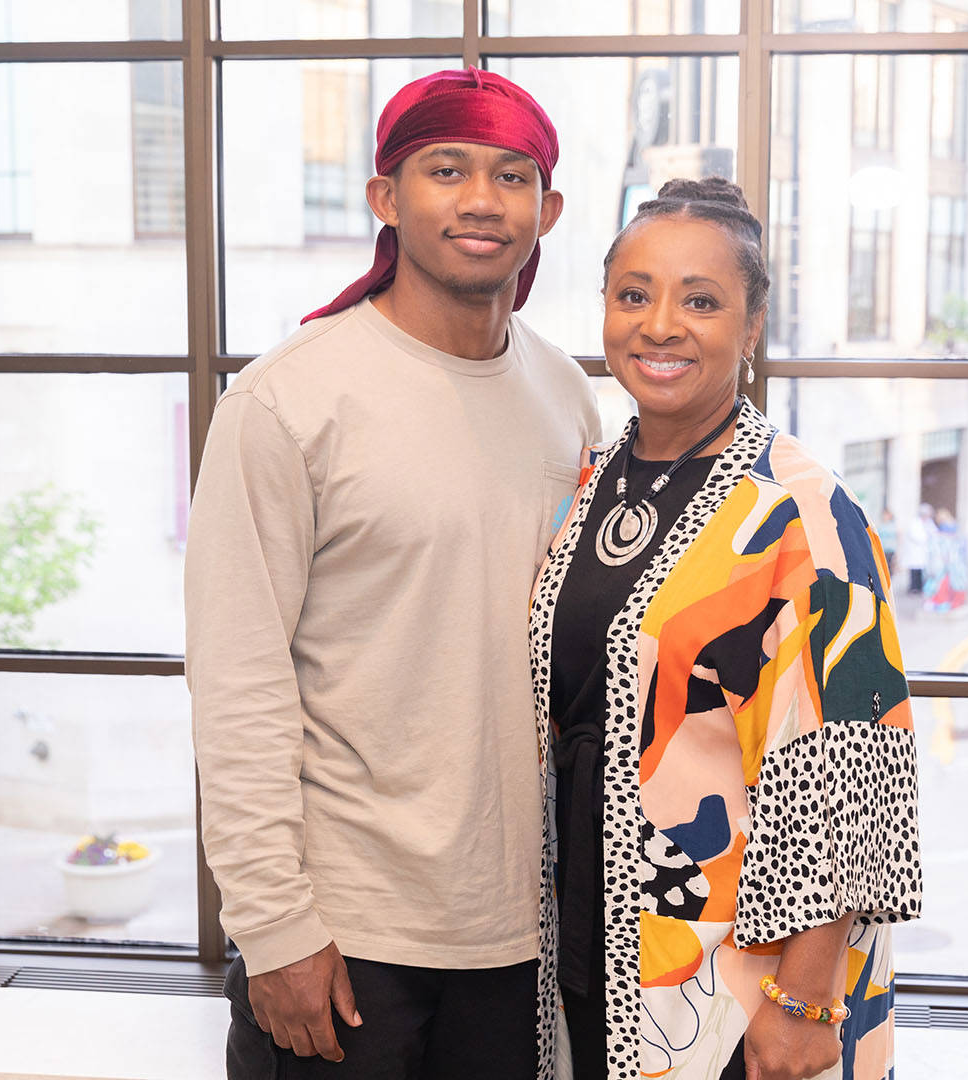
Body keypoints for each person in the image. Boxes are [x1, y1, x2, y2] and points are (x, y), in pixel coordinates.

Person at [185, 68, 600, 1079]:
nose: (477, 199)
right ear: (385, 197)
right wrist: (274, 927)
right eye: (445, 170)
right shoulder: (290, 400)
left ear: (545, 213)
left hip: (515, 935)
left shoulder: (566, 394)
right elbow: (238, 684)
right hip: (343, 936)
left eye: (511, 177)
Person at [529, 178, 923, 1080]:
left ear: (750, 330)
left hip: (739, 996)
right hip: (597, 958)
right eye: (634, 294)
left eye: (700, 301)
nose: (659, 324)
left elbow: (849, 776)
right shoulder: (597, 482)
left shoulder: (800, 511)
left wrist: (804, 1004)